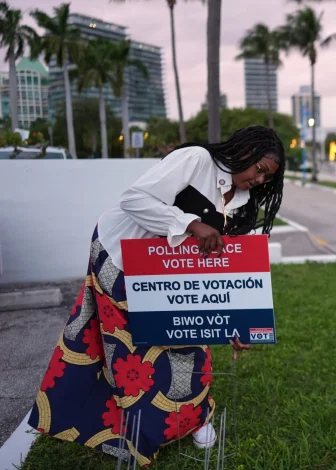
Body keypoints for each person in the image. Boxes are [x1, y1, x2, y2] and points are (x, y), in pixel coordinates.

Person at [28, 125, 285, 466]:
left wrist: (238, 323)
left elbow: (231, 266)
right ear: (244, 153)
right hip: (122, 257)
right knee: (133, 354)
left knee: (190, 339)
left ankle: (195, 418)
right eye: (260, 170)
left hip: (175, 277)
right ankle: (131, 428)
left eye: (266, 179)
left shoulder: (243, 202)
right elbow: (134, 200)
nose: (259, 180)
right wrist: (192, 223)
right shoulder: (197, 161)